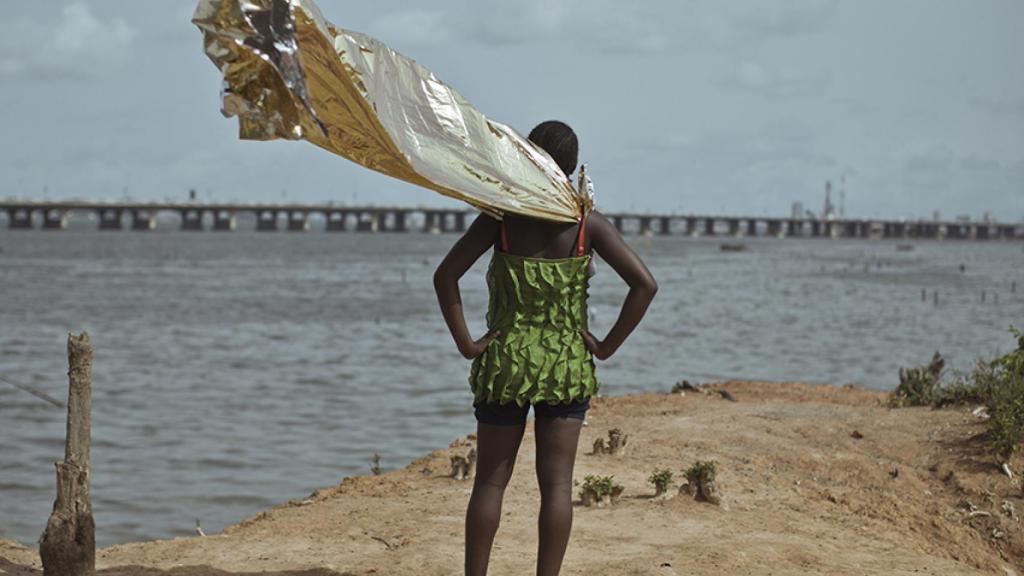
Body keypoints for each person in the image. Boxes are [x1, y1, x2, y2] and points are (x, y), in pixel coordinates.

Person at [433, 120, 658, 576]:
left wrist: (468, 345)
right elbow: (645, 285)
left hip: (505, 364)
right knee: (556, 487)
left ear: (526, 157)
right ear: (572, 167)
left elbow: (445, 276)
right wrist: (606, 346)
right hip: (565, 366)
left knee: (489, 485)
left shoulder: (501, 219)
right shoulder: (586, 225)